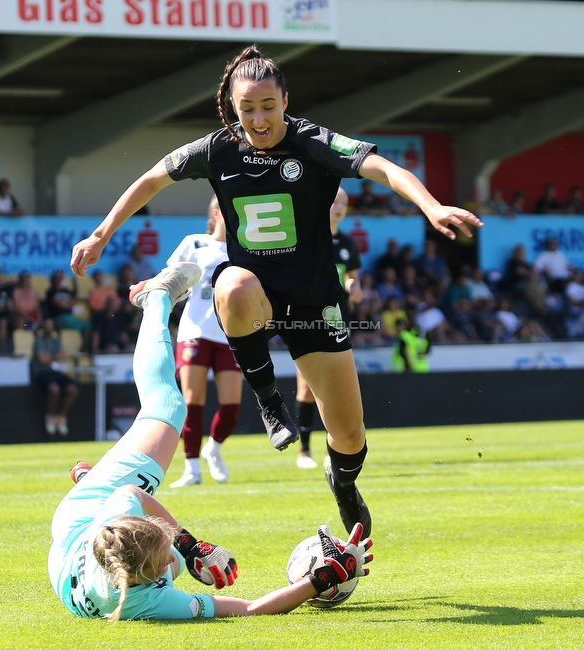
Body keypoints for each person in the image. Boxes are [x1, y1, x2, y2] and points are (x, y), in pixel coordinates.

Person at [69, 45, 481, 536]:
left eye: (268, 106)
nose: (259, 118)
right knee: (234, 283)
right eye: (247, 109)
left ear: (286, 100)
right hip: (256, 297)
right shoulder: (218, 149)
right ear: (234, 108)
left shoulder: (314, 143)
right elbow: (152, 178)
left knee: (349, 434)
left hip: (315, 302)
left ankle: (343, 483)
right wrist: (101, 233)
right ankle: (269, 402)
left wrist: (431, 207)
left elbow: (386, 169)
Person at [50, 264, 373, 621]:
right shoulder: (142, 601)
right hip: (78, 533)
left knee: (166, 409)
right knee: (173, 563)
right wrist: (321, 579)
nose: (168, 546)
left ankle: (156, 298)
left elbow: (133, 494)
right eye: (164, 546)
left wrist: (190, 547)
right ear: (143, 578)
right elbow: (249, 609)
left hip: (80, 517)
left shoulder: (131, 571)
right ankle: (93, 478)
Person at [164, 197, 243, 487]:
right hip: (194, 332)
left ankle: (214, 449)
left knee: (232, 408)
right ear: (215, 212)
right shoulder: (195, 243)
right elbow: (171, 278)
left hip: (230, 335)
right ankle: (191, 469)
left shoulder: (244, 248)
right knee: (192, 402)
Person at [295, 188, 360, 470]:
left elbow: (351, 278)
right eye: (334, 200)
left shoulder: (347, 243)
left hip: (338, 321)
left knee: (336, 390)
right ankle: (304, 452)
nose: (339, 206)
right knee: (307, 389)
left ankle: (330, 450)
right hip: (308, 318)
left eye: (344, 202)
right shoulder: (308, 235)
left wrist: (354, 289)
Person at [32, 317, 79, 435]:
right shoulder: (39, 340)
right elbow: (43, 360)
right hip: (42, 373)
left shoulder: (56, 340)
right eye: (46, 324)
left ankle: (61, 416)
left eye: (50, 324)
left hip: (55, 372)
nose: (49, 327)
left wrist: (52, 357)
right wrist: (56, 356)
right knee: (55, 390)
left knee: (74, 390)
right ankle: (50, 416)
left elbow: (63, 355)